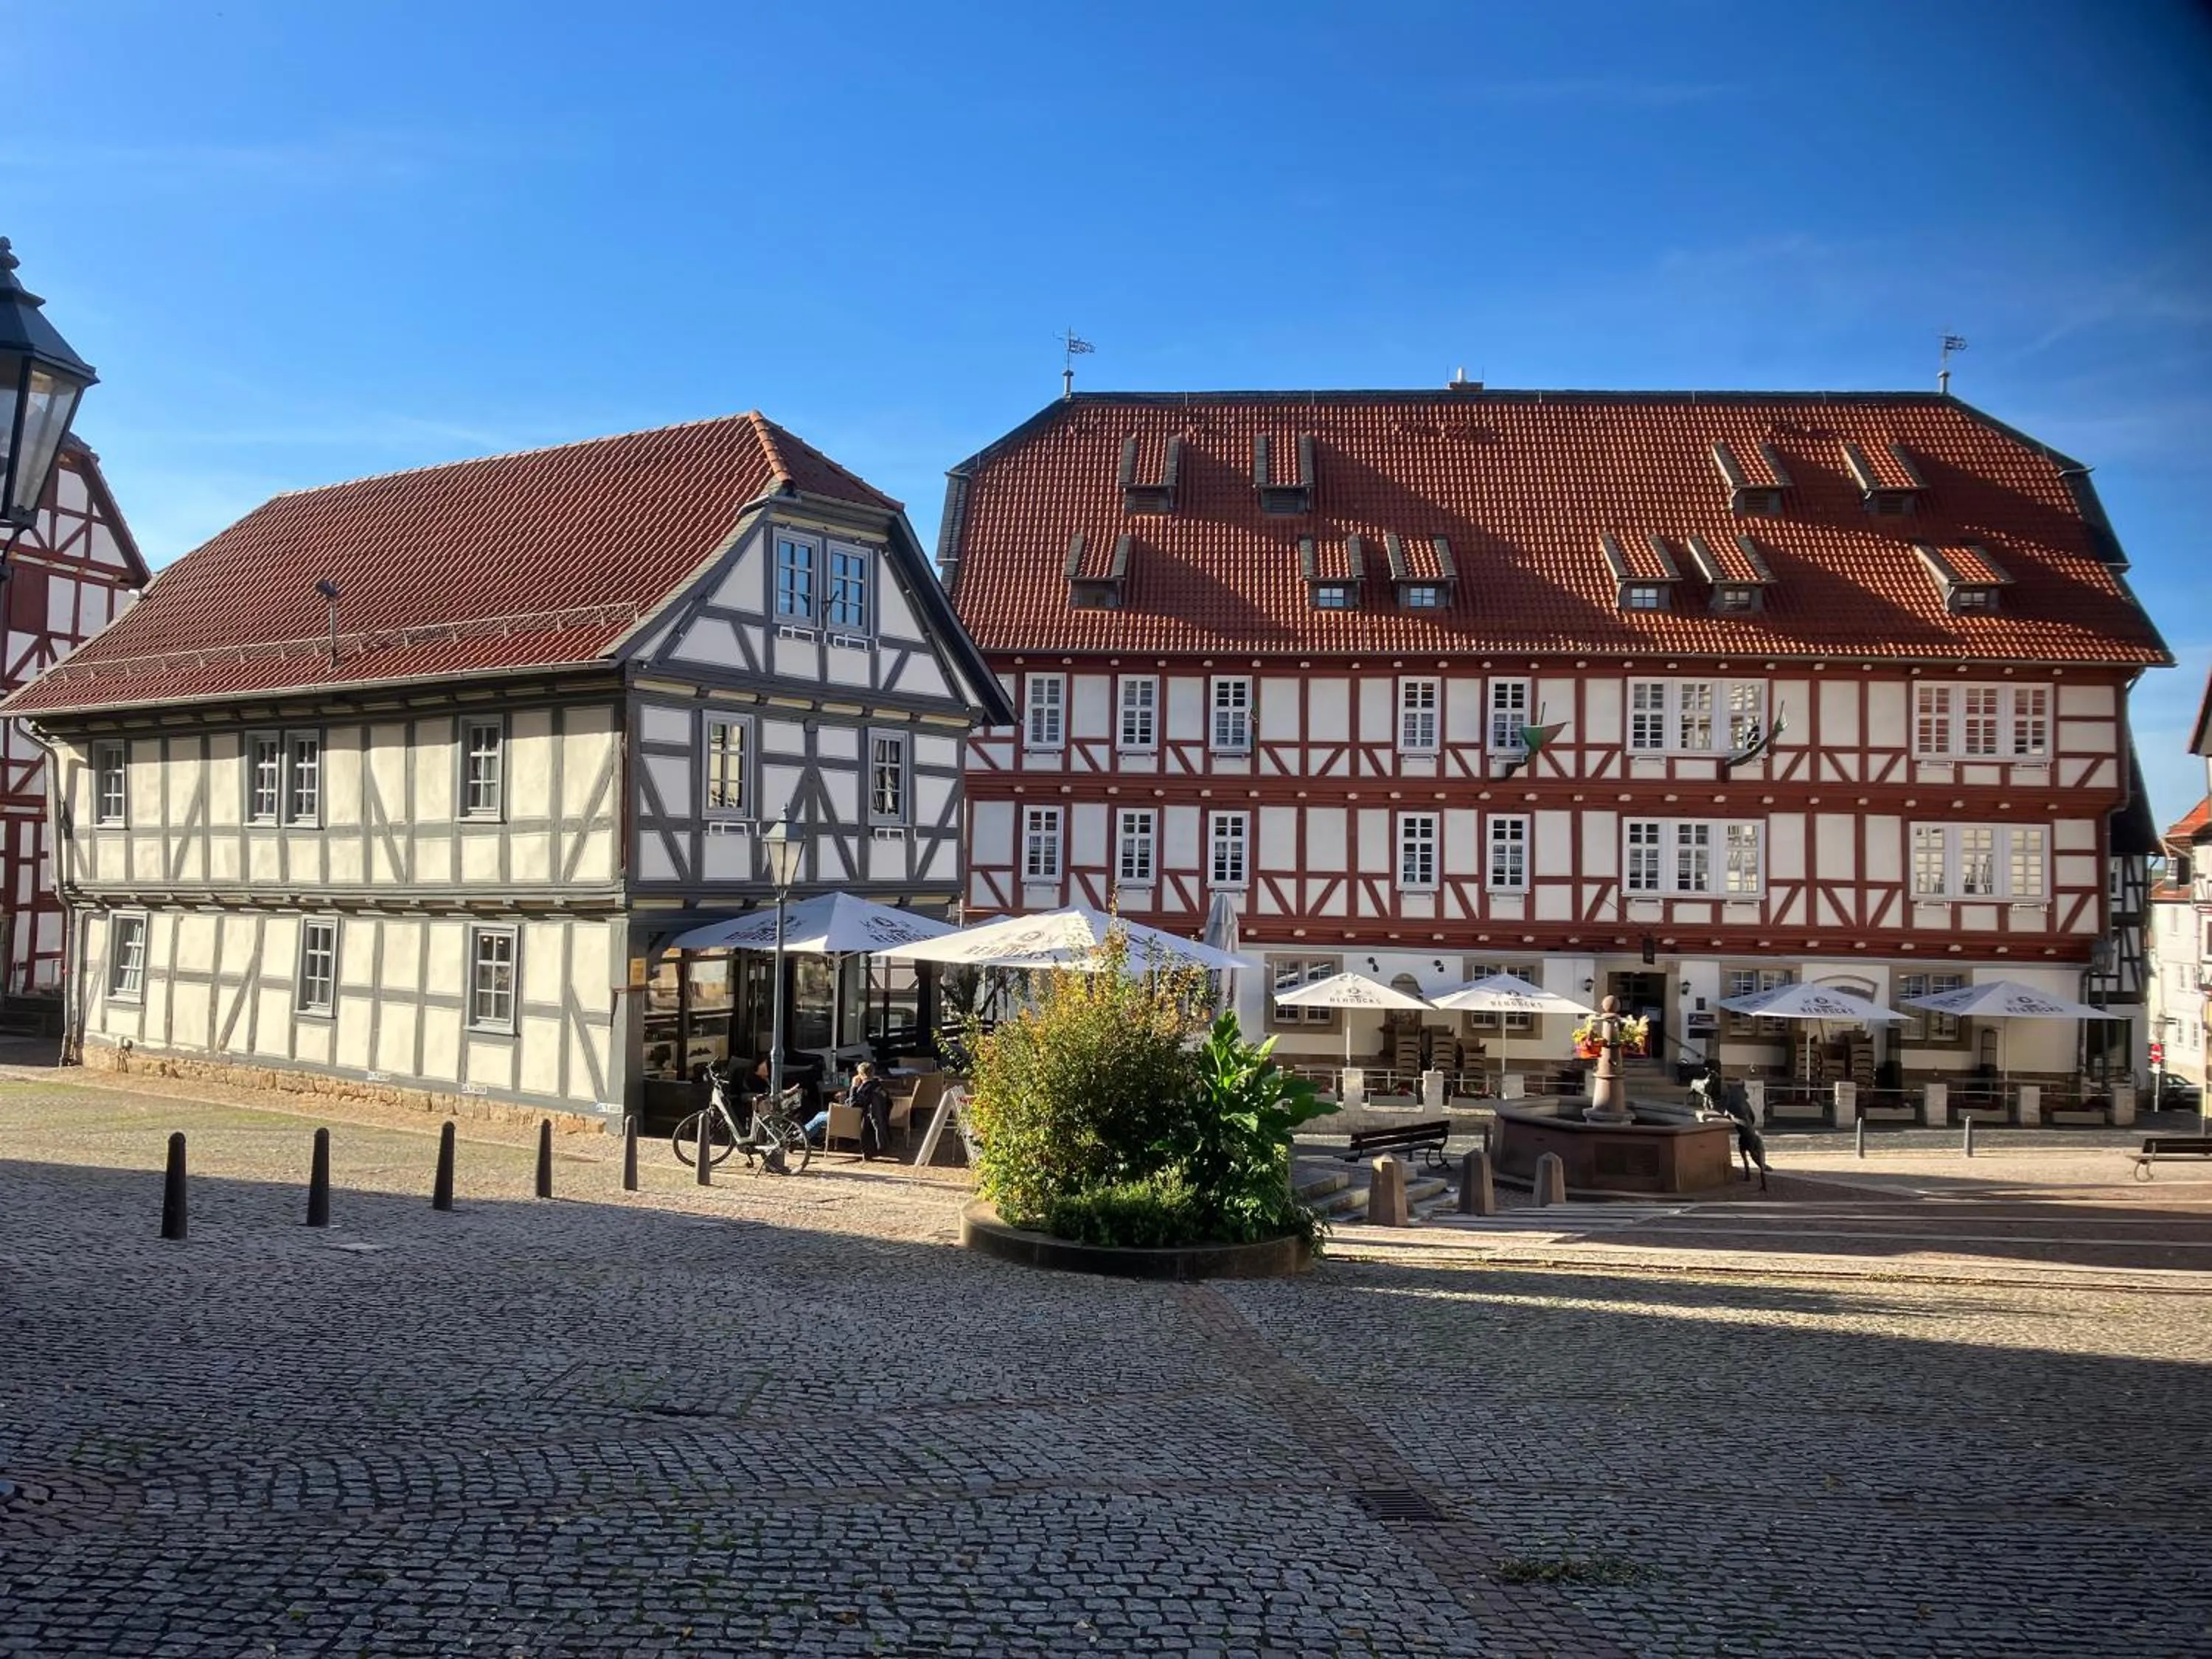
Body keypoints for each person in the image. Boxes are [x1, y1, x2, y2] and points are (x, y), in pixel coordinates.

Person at [805, 1062, 894, 1159]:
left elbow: (852, 1104)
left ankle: (801, 1136)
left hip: (851, 1120)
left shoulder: (866, 1089)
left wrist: (854, 1086)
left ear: (861, 1075)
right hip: (860, 1118)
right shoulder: (878, 1088)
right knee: (820, 1114)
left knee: (819, 1119)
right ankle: (807, 1135)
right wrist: (849, 1093)